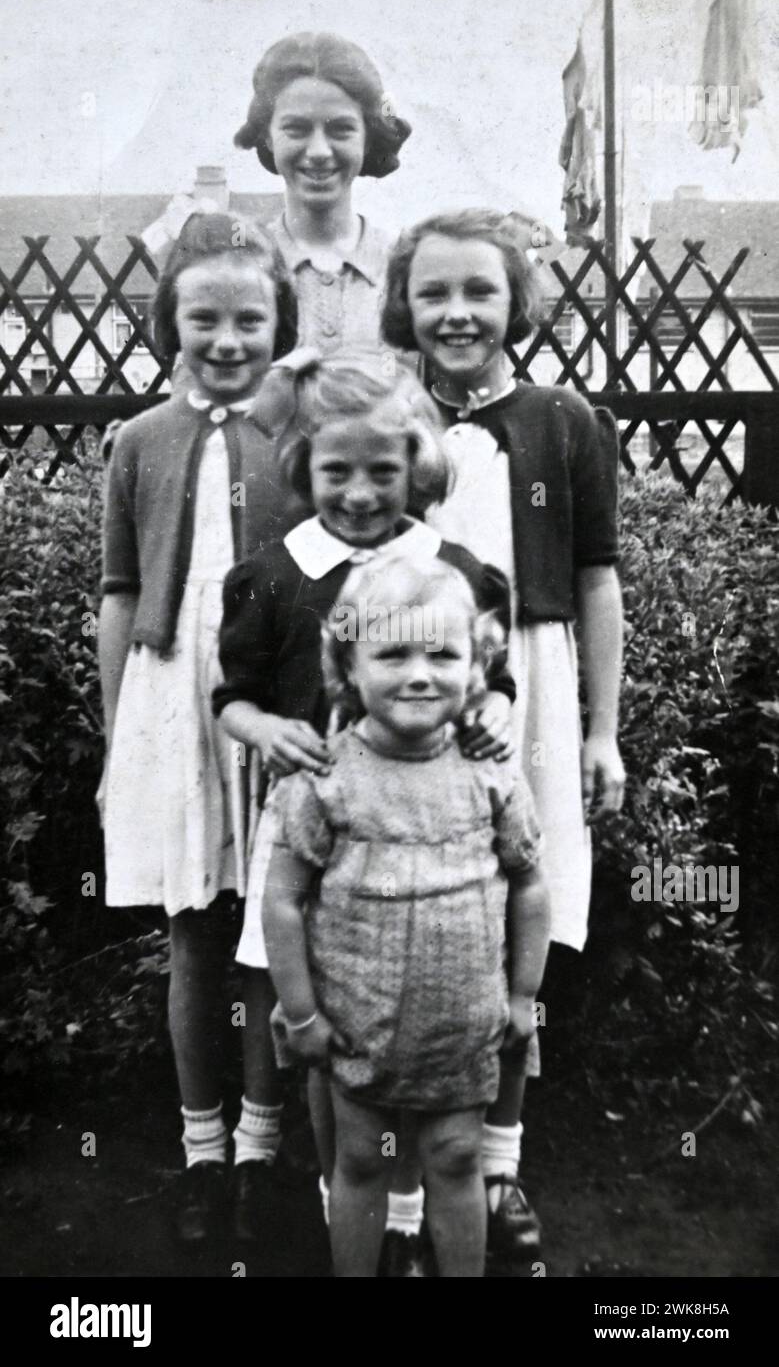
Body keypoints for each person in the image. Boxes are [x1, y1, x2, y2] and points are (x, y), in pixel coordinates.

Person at [212, 347, 518, 1271]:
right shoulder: (272, 573)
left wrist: (498, 710)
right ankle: (334, 1194)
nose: (357, 493)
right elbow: (230, 695)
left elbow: (492, 677)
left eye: (381, 471)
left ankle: (413, 1218)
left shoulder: (451, 567)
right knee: (329, 1032)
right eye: (336, 471)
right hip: (319, 836)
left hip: (426, 832)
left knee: (423, 1019)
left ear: (415, 467)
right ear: (305, 467)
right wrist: (263, 727)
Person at [382, 207, 625, 1266]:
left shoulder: (565, 420)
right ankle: (395, 1189)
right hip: (408, 692)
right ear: (405, 305)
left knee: (511, 934)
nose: (456, 312)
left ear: (515, 303)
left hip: (530, 690)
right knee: (404, 924)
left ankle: (497, 1165)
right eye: (432, 292)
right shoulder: (386, 417)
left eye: (479, 291)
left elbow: (594, 582)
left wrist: (601, 732)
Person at [261, 552, 551, 1277]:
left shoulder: (489, 774)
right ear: (347, 667)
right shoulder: (324, 780)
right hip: (357, 1024)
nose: (419, 673)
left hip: (462, 1025)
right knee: (359, 1158)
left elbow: (529, 885)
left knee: (454, 1158)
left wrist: (521, 996)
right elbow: (282, 901)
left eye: (442, 653)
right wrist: (300, 1015)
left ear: (476, 666)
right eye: (391, 653)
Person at [98, 211, 298, 1248]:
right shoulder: (138, 439)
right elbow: (120, 596)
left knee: (268, 930)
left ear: (279, 324)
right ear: (169, 323)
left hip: (269, 707)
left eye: (248, 321)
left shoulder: (296, 436)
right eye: (203, 319)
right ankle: (201, 1152)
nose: (226, 341)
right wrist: (113, 739)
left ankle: (265, 1151)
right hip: (170, 705)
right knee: (191, 933)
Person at [234, 31, 411, 354]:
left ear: (368, 137)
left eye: (340, 129)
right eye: (297, 129)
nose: (318, 150)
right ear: (268, 137)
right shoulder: (238, 263)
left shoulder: (405, 263)